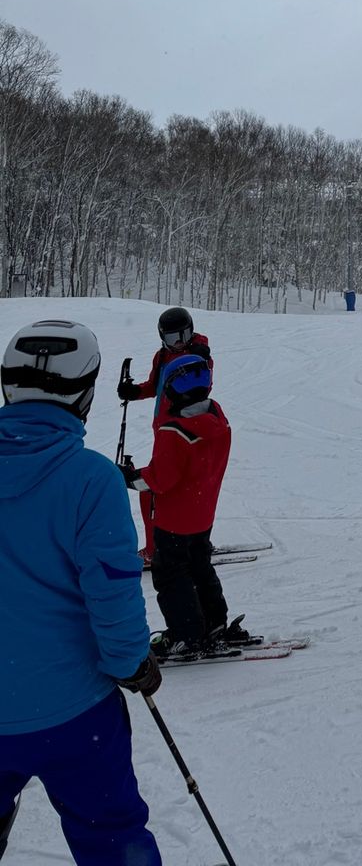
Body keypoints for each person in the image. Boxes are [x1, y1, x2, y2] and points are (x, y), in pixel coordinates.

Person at [0, 318, 163, 864]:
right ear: (85, 395)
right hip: (74, 714)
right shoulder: (91, 479)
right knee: (110, 835)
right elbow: (113, 593)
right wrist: (132, 663)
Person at [120, 353, 245, 659]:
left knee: (171, 575)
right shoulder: (217, 418)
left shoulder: (173, 433)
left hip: (174, 520)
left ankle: (187, 634)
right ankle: (214, 622)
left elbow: (160, 480)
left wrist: (131, 477)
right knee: (200, 566)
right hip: (203, 516)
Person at [116, 307, 213, 563]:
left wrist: (200, 352)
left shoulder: (197, 356)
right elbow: (153, 387)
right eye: (173, 338)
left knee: (155, 489)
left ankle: (156, 549)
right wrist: (133, 392)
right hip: (163, 431)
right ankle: (185, 541)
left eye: (185, 335)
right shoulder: (161, 357)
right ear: (163, 338)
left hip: (183, 432)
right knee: (168, 489)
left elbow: (203, 382)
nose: (179, 342)